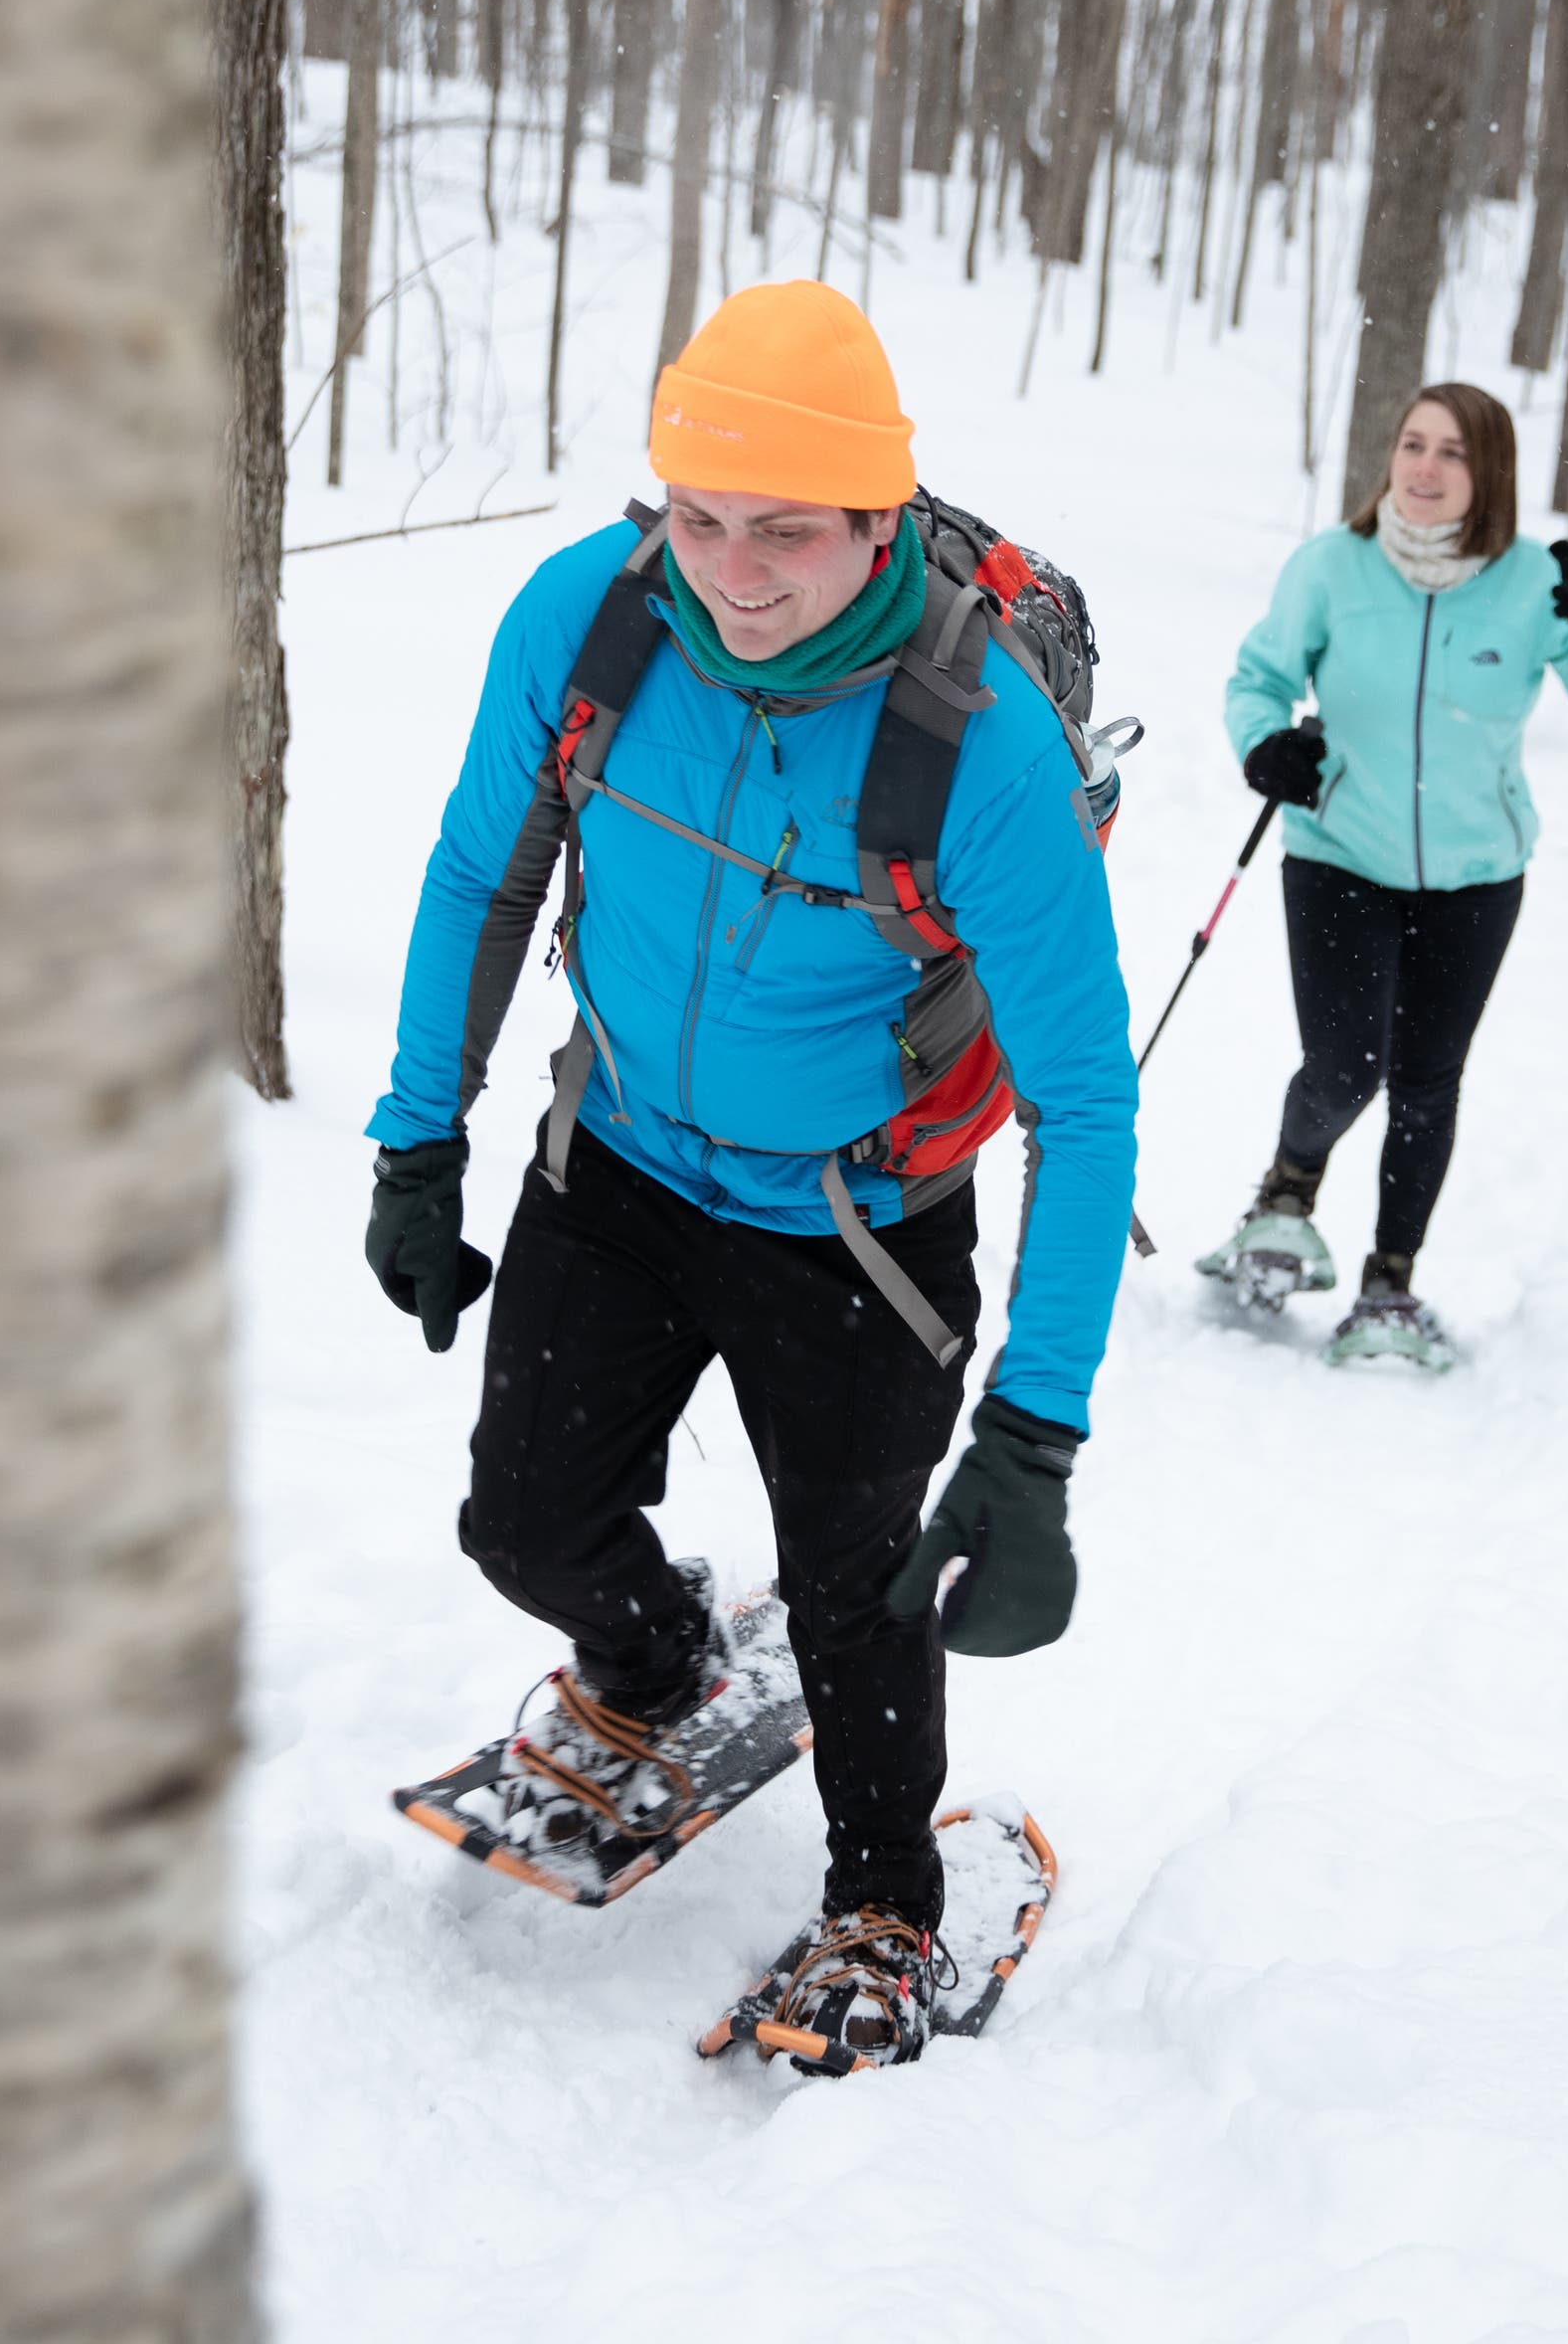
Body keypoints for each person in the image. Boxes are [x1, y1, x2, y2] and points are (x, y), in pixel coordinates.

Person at [362, 280, 1138, 2062]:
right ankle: (653, 1663)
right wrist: (420, 1135)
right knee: (523, 1521)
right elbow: (482, 868)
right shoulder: (595, 616)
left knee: (868, 1592)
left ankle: (884, 1902)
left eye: (785, 528)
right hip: (619, 1153)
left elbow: (1088, 1110)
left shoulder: (980, 744)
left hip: (853, 1225)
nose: (733, 568)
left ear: (877, 517)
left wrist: (1037, 1437)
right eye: (699, 516)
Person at [1198, 381, 1568, 1364]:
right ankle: (1284, 1198)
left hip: (1476, 875)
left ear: (1488, 472)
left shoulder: (1535, 584)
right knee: (1345, 1063)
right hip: (1338, 853)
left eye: (1452, 452)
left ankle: (1389, 1284)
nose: (1426, 468)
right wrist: (1264, 743)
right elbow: (1259, 679)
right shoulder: (1333, 566)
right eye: (1412, 444)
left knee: (1426, 1082)